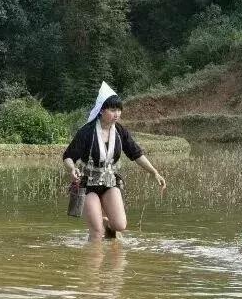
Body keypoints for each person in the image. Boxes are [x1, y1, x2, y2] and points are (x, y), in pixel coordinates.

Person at [62, 82, 166, 241]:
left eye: (118, 110)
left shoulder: (120, 131)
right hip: (87, 184)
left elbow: (136, 154)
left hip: (110, 181)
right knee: (97, 231)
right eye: (112, 110)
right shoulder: (86, 132)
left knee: (120, 225)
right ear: (101, 110)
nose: (116, 114)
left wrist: (154, 172)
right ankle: (94, 254)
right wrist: (72, 168)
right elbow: (68, 156)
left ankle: (107, 226)